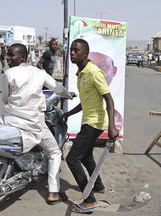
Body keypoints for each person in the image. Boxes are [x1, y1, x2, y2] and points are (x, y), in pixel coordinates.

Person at [0, 43, 73, 205]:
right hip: (34, 124)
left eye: (11, 55)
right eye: (8, 54)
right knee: (55, 152)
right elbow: (57, 88)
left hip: (10, 121)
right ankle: (53, 192)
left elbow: (4, 99)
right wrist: (69, 94)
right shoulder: (38, 73)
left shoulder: (9, 73)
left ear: (22, 57)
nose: (7, 57)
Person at [63, 39, 119, 213]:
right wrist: (67, 114)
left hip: (94, 123)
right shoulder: (81, 73)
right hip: (89, 120)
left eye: (76, 50)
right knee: (86, 156)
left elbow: (108, 99)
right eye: (71, 50)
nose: (72, 53)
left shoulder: (94, 72)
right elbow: (85, 101)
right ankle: (99, 186)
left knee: (72, 159)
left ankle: (89, 200)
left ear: (85, 54)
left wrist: (112, 126)